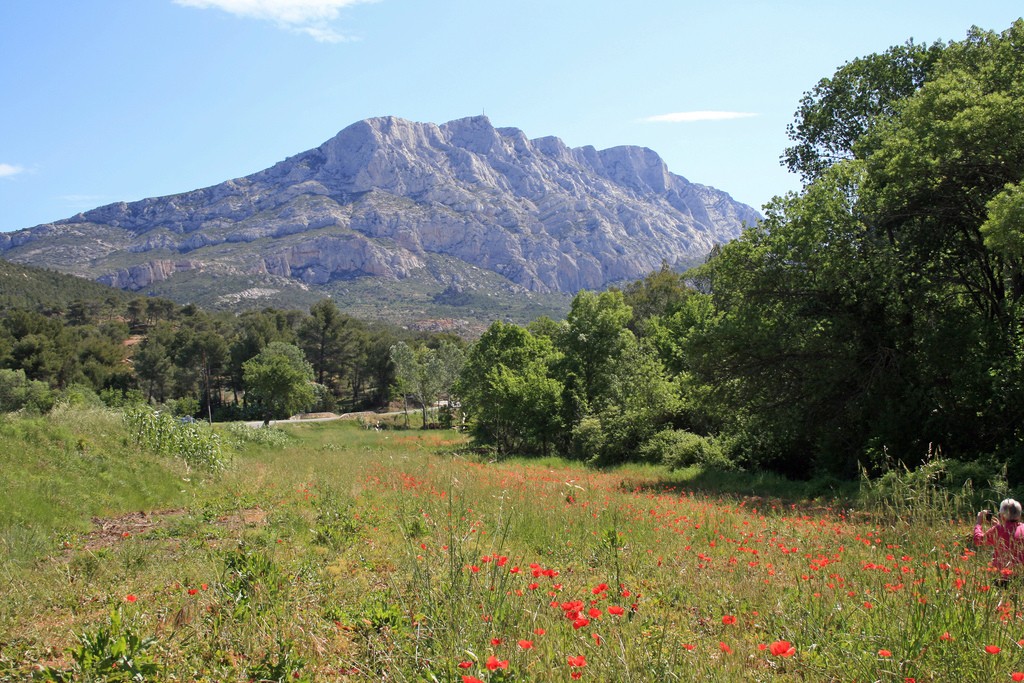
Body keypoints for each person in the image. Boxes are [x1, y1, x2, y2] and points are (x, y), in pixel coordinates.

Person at [974, 498, 1024, 581]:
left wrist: (978, 523)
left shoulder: (999, 529)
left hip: (1003, 578)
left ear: (1002, 514)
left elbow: (978, 540)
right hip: (1021, 576)